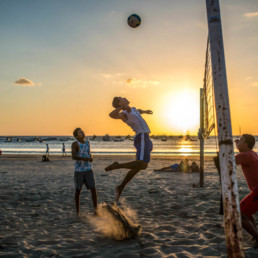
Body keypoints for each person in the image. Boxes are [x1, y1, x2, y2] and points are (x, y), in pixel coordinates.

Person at [105, 97, 153, 202]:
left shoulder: (133, 109)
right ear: (119, 103)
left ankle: (120, 187)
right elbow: (111, 115)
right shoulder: (124, 114)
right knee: (141, 164)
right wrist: (121, 107)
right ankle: (117, 165)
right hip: (141, 137)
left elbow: (138, 111)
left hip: (146, 137)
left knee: (139, 166)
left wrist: (145, 111)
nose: (124, 97)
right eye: (121, 98)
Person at [235, 134, 258, 248]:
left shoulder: (246, 155)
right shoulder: (252, 153)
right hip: (256, 191)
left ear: (247, 144)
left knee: (239, 214)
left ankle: (257, 236)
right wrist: (238, 145)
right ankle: (255, 234)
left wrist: (225, 148)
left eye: (241, 140)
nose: (238, 141)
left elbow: (230, 161)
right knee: (247, 213)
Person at [71, 128, 98, 216]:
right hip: (79, 170)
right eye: (80, 132)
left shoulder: (87, 142)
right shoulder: (75, 144)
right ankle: (78, 212)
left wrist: (91, 158)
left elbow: (89, 154)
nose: (82, 133)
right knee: (78, 190)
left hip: (88, 169)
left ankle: (96, 211)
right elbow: (73, 156)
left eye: (82, 131)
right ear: (76, 136)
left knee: (93, 189)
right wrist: (83, 158)